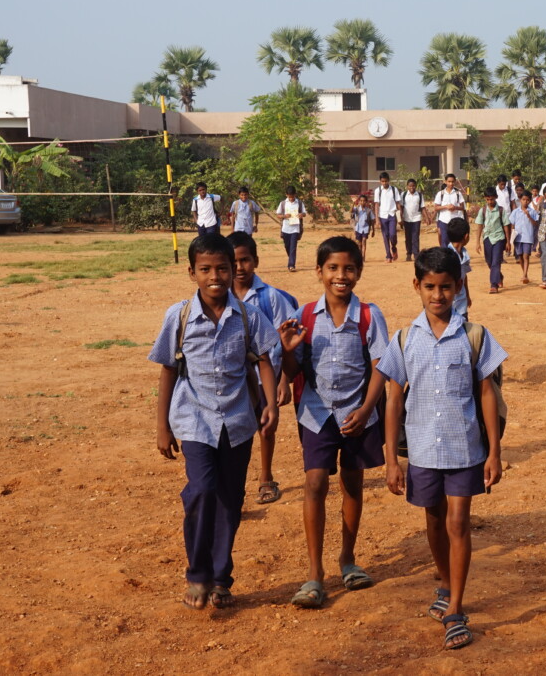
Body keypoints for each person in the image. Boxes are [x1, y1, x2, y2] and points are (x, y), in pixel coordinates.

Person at [377, 246, 508, 651]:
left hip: (465, 449)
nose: (438, 295)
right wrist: (391, 459)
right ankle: (446, 583)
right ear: (417, 285)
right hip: (421, 451)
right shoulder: (404, 340)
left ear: (459, 286)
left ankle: (455, 608)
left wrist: (495, 451)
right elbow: (393, 400)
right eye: (430, 287)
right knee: (433, 522)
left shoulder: (474, 336)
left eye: (446, 287)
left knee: (457, 523)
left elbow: (487, 393)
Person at [149, 233, 280, 610]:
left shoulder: (248, 316)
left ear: (233, 269)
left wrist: (271, 404)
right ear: (192, 272)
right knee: (203, 489)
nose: (215, 277)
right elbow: (168, 370)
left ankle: (221, 578)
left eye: (222, 268)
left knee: (230, 500)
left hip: (238, 421)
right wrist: (162, 426)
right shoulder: (179, 316)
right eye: (205, 269)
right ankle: (198, 574)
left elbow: (264, 360)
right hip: (194, 419)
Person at [278, 236, 390, 608]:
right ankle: (315, 573)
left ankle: (348, 559)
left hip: (358, 412)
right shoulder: (306, 315)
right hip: (316, 413)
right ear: (319, 271)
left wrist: (367, 409)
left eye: (348, 268)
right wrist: (287, 351)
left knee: (352, 483)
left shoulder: (370, 316)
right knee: (314, 483)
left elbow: (381, 368)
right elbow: (293, 370)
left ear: (358, 272)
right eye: (333, 268)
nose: (340, 275)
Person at [228, 231, 297, 505]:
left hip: (264, 378)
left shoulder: (271, 297)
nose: (240, 267)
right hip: (234, 380)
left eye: (245, 260)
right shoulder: (220, 296)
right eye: (234, 262)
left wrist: (284, 381)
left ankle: (266, 477)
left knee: (266, 427)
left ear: (255, 261)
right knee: (234, 432)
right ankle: (233, 487)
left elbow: (287, 342)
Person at [472, 187, 512, 294]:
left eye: (492, 199)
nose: (490, 202)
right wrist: (477, 242)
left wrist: (508, 242)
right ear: (485, 198)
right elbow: (479, 226)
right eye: (488, 199)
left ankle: (494, 285)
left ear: (496, 197)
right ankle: (499, 276)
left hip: (499, 238)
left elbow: (506, 226)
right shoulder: (483, 210)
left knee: (496, 262)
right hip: (487, 238)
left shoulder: (501, 210)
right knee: (489, 261)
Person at [509, 190, 539, 285]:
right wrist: (512, 234)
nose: (525, 202)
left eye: (527, 200)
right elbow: (512, 224)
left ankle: (525, 274)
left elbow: (536, 224)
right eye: (523, 199)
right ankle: (524, 273)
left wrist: (529, 216)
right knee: (520, 256)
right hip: (517, 237)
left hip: (527, 237)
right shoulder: (515, 212)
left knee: (526, 256)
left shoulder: (533, 212)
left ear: (530, 201)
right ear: (520, 200)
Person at [446, 218, 473, 320]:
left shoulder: (464, 254)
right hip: (449, 304)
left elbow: (464, 276)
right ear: (466, 236)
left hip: (461, 302)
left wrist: (467, 295)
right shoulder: (447, 256)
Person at [276, 186, 307, 272]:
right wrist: (284, 216)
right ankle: (291, 258)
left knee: (293, 247)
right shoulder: (283, 203)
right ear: (286, 195)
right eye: (289, 197)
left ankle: (291, 265)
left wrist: (301, 215)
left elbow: (304, 213)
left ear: (295, 194)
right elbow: (278, 215)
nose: (291, 198)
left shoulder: (299, 203)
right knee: (287, 246)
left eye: (292, 196)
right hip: (286, 228)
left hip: (295, 229)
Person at [373, 172, 403, 263]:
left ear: (389, 181)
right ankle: (388, 255)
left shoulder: (394, 190)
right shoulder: (378, 191)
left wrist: (400, 215)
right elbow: (376, 205)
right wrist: (377, 219)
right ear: (380, 181)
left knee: (392, 234)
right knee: (385, 236)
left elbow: (398, 203)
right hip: (382, 216)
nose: (384, 183)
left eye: (386, 181)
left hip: (392, 215)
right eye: (383, 181)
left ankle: (393, 247)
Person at [434, 174, 466, 248]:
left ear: (455, 182)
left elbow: (462, 207)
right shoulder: (440, 194)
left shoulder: (458, 193)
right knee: (444, 240)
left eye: (452, 182)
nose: (451, 184)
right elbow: (436, 207)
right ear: (445, 182)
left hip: (455, 221)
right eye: (449, 181)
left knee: (455, 241)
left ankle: (454, 254)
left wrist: (455, 207)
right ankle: (445, 254)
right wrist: (446, 206)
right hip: (444, 221)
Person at [401, 179, 425, 261]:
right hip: (406, 219)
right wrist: (400, 217)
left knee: (415, 237)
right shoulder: (403, 195)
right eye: (410, 186)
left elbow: (422, 207)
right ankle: (408, 254)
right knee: (408, 237)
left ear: (416, 186)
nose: (412, 187)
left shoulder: (419, 195)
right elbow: (401, 207)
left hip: (416, 218)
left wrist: (426, 217)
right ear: (407, 186)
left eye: (413, 186)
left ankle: (416, 254)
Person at [351, 194, 375, 260]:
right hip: (358, 228)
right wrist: (353, 203)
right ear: (359, 201)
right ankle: (360, 256)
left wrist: (373, 230)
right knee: (359, 243)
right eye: (361, 201)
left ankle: (363, 256)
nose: (362, 202)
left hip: (366, 228)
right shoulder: (357, 209)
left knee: (364, 241)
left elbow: (372, 221)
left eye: (364, 201)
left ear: (366, 202)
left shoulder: (369, 211)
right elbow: (351, 211)